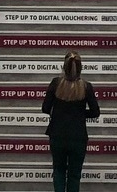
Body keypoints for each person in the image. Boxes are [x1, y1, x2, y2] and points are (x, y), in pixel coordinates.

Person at [41, 51, 99, 192]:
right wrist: (78, 114)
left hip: (58, 135)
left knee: (59, 171)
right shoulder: (86, 86)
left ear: (64, 66)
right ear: (80, 68)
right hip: (78, 136)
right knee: (74, 175)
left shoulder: (56, 83)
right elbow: (95, 112)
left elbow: (45, 108)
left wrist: (60, 113)